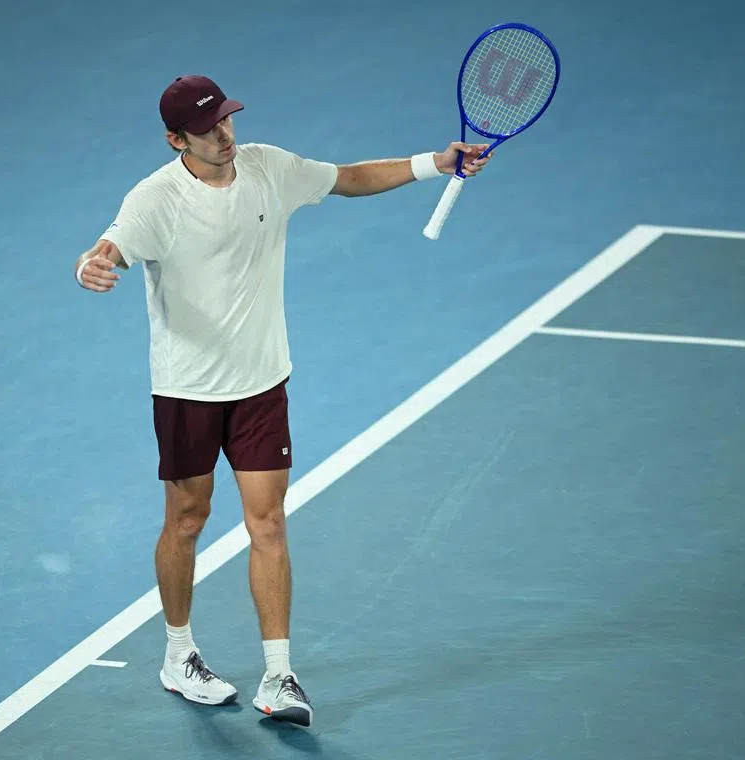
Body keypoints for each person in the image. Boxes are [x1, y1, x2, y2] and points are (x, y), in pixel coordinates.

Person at [74, 74, 490, 728]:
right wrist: (91, 266)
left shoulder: (269, 167)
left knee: (267, 522)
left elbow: (347, 178)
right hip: (187, 392)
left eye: (226, 119)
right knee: (187, 519)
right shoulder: (155, 199)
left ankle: (279, 675)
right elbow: (111, 248)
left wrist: (434, 164)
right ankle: (178, 655)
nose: (224, 134)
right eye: (207, 128)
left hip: (262, 386)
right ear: (176, 139)